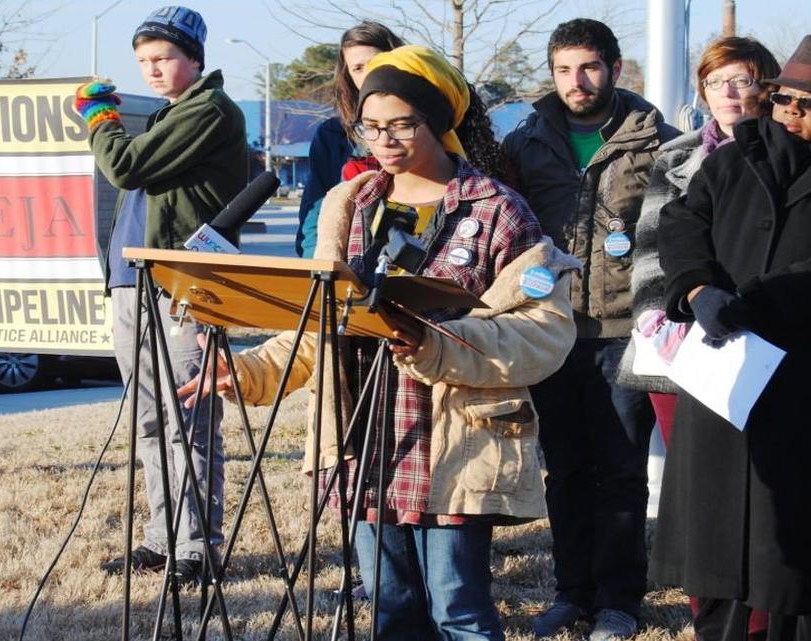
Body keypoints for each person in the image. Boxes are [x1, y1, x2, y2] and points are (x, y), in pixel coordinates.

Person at [179, 44, 581, 640]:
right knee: (389, 608)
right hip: (362, 439)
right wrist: (249, 371)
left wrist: (432, 342)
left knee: (458, 610)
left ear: (437, 121)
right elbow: (321, 323)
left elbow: (544, 332)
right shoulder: (351, 203)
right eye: (370, 127)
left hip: (454, 438)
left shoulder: (499, 210)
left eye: (401, 125)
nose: (384, 141)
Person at [649, 35, 811, 641]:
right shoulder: (733, 158)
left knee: (804, 566)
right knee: (715, 550)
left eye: (809, 103)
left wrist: (757, 301)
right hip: (725, 380)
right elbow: (681, 223)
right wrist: (697, 289)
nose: (790, 111)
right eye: (784, 98)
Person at [501, 18, 678, 641]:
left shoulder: (658, 142)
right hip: (550, 330)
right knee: (566, 470)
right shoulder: (524, 142)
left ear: (615, 69)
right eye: (563, 70)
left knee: (622, 471)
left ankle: (619, 601)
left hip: (625, 330)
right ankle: (571, 593)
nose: (576, 81)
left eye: (589, 67)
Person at [73, 5, 247, 582]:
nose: (151, 69)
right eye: (143, 60)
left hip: (183, 286)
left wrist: (100, 118)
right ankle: (160, 538)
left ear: (194, 58)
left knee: (187, 418)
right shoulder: (169, 114)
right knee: (148, 419)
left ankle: (196, 547)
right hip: (133, 280)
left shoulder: (209, 109)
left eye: (163, 57)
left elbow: (124, 166)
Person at [624, 36, 779, 640]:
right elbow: (650, 247)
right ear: (702, 92)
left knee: (761, 491)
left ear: (768, 85)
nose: (730, 93)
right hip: (683, 348)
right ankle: (710, 620)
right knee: (698, 494)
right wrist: (658, 319)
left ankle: (762, 620)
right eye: (717, 82)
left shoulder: (786, 152)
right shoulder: (678, 155)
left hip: (761, 346)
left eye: (743, 79)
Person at [295, 22, 405, 257]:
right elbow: (317, 209)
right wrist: (316, 264)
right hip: (348, 259)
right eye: (358, 68)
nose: (369, 74)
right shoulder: (333, 135)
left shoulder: (427, 124)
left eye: (376, 62)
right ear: (348, 75)